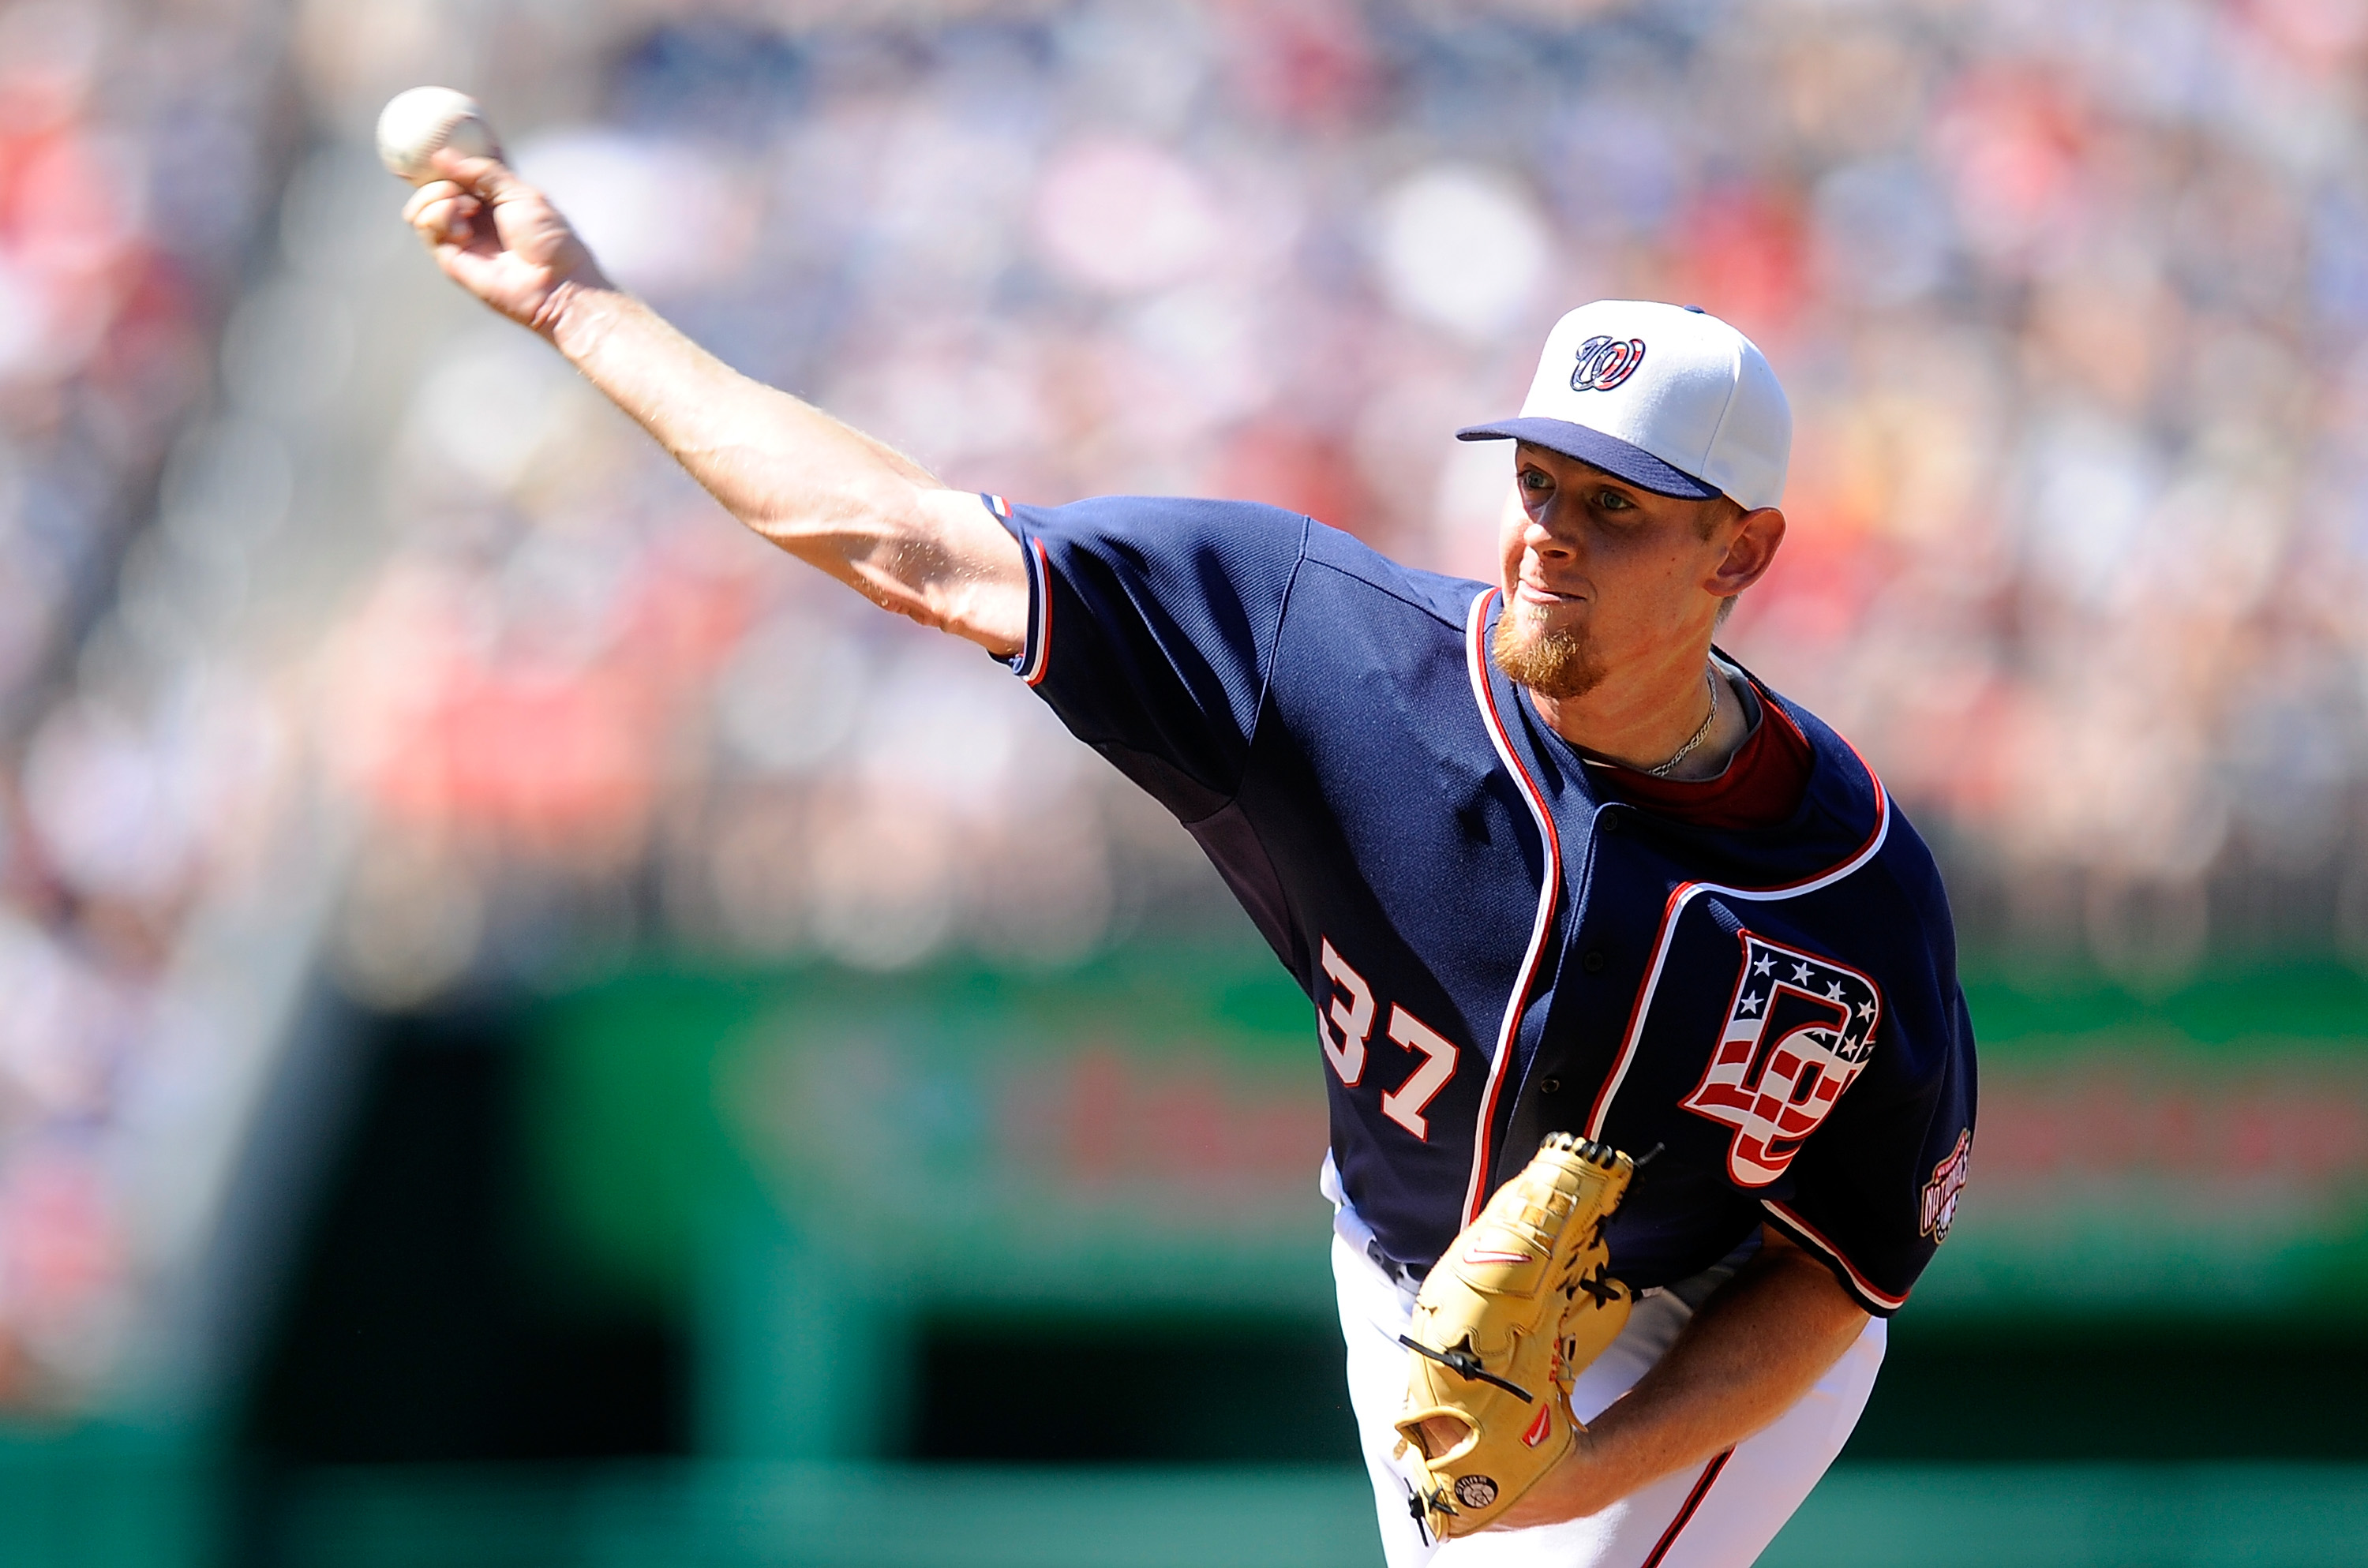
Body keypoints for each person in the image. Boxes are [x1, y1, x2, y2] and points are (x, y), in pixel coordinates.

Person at [399, 149, 1976, 1568]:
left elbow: (1837, 1281)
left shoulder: (1847, 890)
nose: (1549, 534)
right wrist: (578, 310)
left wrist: (1570, 1478)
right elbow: (903, 534)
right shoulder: (1317, 646)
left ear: (1742, 552)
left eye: (1618, 509)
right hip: (1409, 1285)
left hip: (1701, 1331)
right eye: (1537, 484)